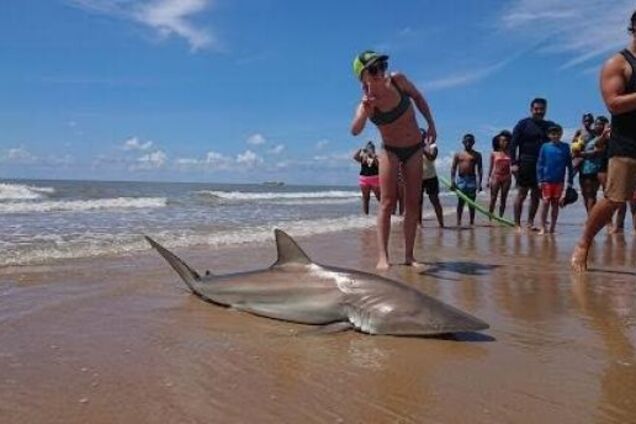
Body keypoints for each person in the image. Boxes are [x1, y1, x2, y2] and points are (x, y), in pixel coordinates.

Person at [350, 50, 437, 270]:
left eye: (381, 65)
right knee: (387, 202)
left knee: (412, 202)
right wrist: (365, 112)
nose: (379, 72)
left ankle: (409, 255)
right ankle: (383, 257)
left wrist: (431, 123)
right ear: (363, 77)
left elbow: (418, 97)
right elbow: (355, 130)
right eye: (373, 69)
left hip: (415, 149)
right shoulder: (366, 104)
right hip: (390, 151)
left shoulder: (398, 80)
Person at [571, 10, 636, 271]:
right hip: (627, 144)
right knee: (615, 199)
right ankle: (584, 242)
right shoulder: (618, 63)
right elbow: (613, 104)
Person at [509, 98, 556, 231]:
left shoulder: (550, 126)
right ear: (531, 109)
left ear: (545, 110)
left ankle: (530, 222)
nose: (539, 111)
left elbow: (554, 146)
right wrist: (513, 163)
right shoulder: (523, 124)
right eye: (536, 109)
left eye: (542, 109)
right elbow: (513, 144)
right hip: (525, 162)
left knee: (536, 194)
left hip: (542, 165)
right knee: (522, 193)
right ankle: (517, 224)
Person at [536, 124, 573, 234]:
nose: (555, 136)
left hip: (559, 181)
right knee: (545, 202)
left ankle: (552, 227)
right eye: (552, 134)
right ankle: (543, 227)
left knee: (555, 204)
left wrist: (570, 181)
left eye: (557, 133)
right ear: (549, 135)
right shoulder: (545, 147)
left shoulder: (565, 147)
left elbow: (569, 165)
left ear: (561, 134)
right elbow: (540, 164)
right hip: (546, 180)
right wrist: (539, 180)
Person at [577, 116, 610, 214]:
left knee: (592, 195)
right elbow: (577, 144)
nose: (597, 126)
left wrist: (583, 154)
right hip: (584, 168)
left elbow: (599, 151)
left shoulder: (606, 138)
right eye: (596, 124)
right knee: (586, 195)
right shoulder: (589, 135)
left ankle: (594, 219)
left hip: (597, 169)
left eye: (600, 124)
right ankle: (590, 218)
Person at [451, 134, 483, 226]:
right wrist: (453, 181)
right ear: (463, 142)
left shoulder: (477, 155)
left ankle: (472, 222)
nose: (468, 143)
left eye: (470, 141)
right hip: (460, 180)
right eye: (466, 141)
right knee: (460, 202)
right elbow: (453, 168)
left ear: (473, 142)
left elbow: (480, 169)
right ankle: (458, 222)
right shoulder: (458, 154)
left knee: (471, 203)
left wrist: (479, 183)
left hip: (471, 180)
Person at [419, 129, 444, 227]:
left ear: (425, 136)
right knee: (418, 202)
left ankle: (441, 224)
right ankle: (419, 224)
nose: (420, 136)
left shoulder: (432, 146)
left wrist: (423, 149)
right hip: (417, 178)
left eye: (422, 135)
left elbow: (432, 157)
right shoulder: (412, 147)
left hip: (431, 177)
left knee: (435, 201)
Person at [487, 131, 513, 219]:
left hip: (507, 177)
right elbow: (490, 167)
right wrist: (488, 179)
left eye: (505, 140)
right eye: (501, 141)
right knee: (493, 198)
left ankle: (501, 217)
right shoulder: (494, 153)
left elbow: (513, 166)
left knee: (503, 198)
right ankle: (490, 217)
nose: (503, 142)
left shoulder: (510, 153)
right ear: (498, 142)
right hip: (496, 177)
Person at [353, 141, 381, 215]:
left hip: (375, 178)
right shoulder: (363, 157)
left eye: (371, 148)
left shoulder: (376, 156)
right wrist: (360, 150)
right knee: (366, 198)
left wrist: (373, 157)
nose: (370, 149)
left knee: (379, 198)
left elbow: (379, 166)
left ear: (373, 149)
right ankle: (366, 216)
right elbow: (355, 157)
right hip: (364, 179)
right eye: (368, 148)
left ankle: (384, 214)